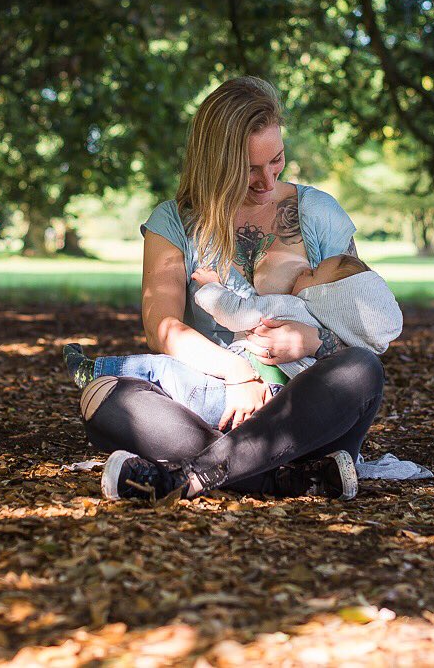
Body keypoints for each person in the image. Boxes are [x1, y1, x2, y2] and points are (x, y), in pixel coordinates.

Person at [78, 77, 386, 503]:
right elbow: (161, 328)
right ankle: (289, 479)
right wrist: (237, 373)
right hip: (215, 404)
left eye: (276, 161)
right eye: (249, 169)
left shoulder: (320, 213)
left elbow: (368, 324)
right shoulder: (173, 223)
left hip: (300, 414)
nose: (267, 181)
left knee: (361, 370)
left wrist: (315, 339)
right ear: (214, 163)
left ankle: (189, 477)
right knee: (104, 398)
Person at [64, 252, 402, 431]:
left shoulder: (292, 306)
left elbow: (239, 313)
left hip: (233, 393)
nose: (304, 271)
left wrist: (210, 287)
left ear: (326, 297)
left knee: (163, 370)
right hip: (285, 410)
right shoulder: (335, 333)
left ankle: (96, 370)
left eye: (312, 275)